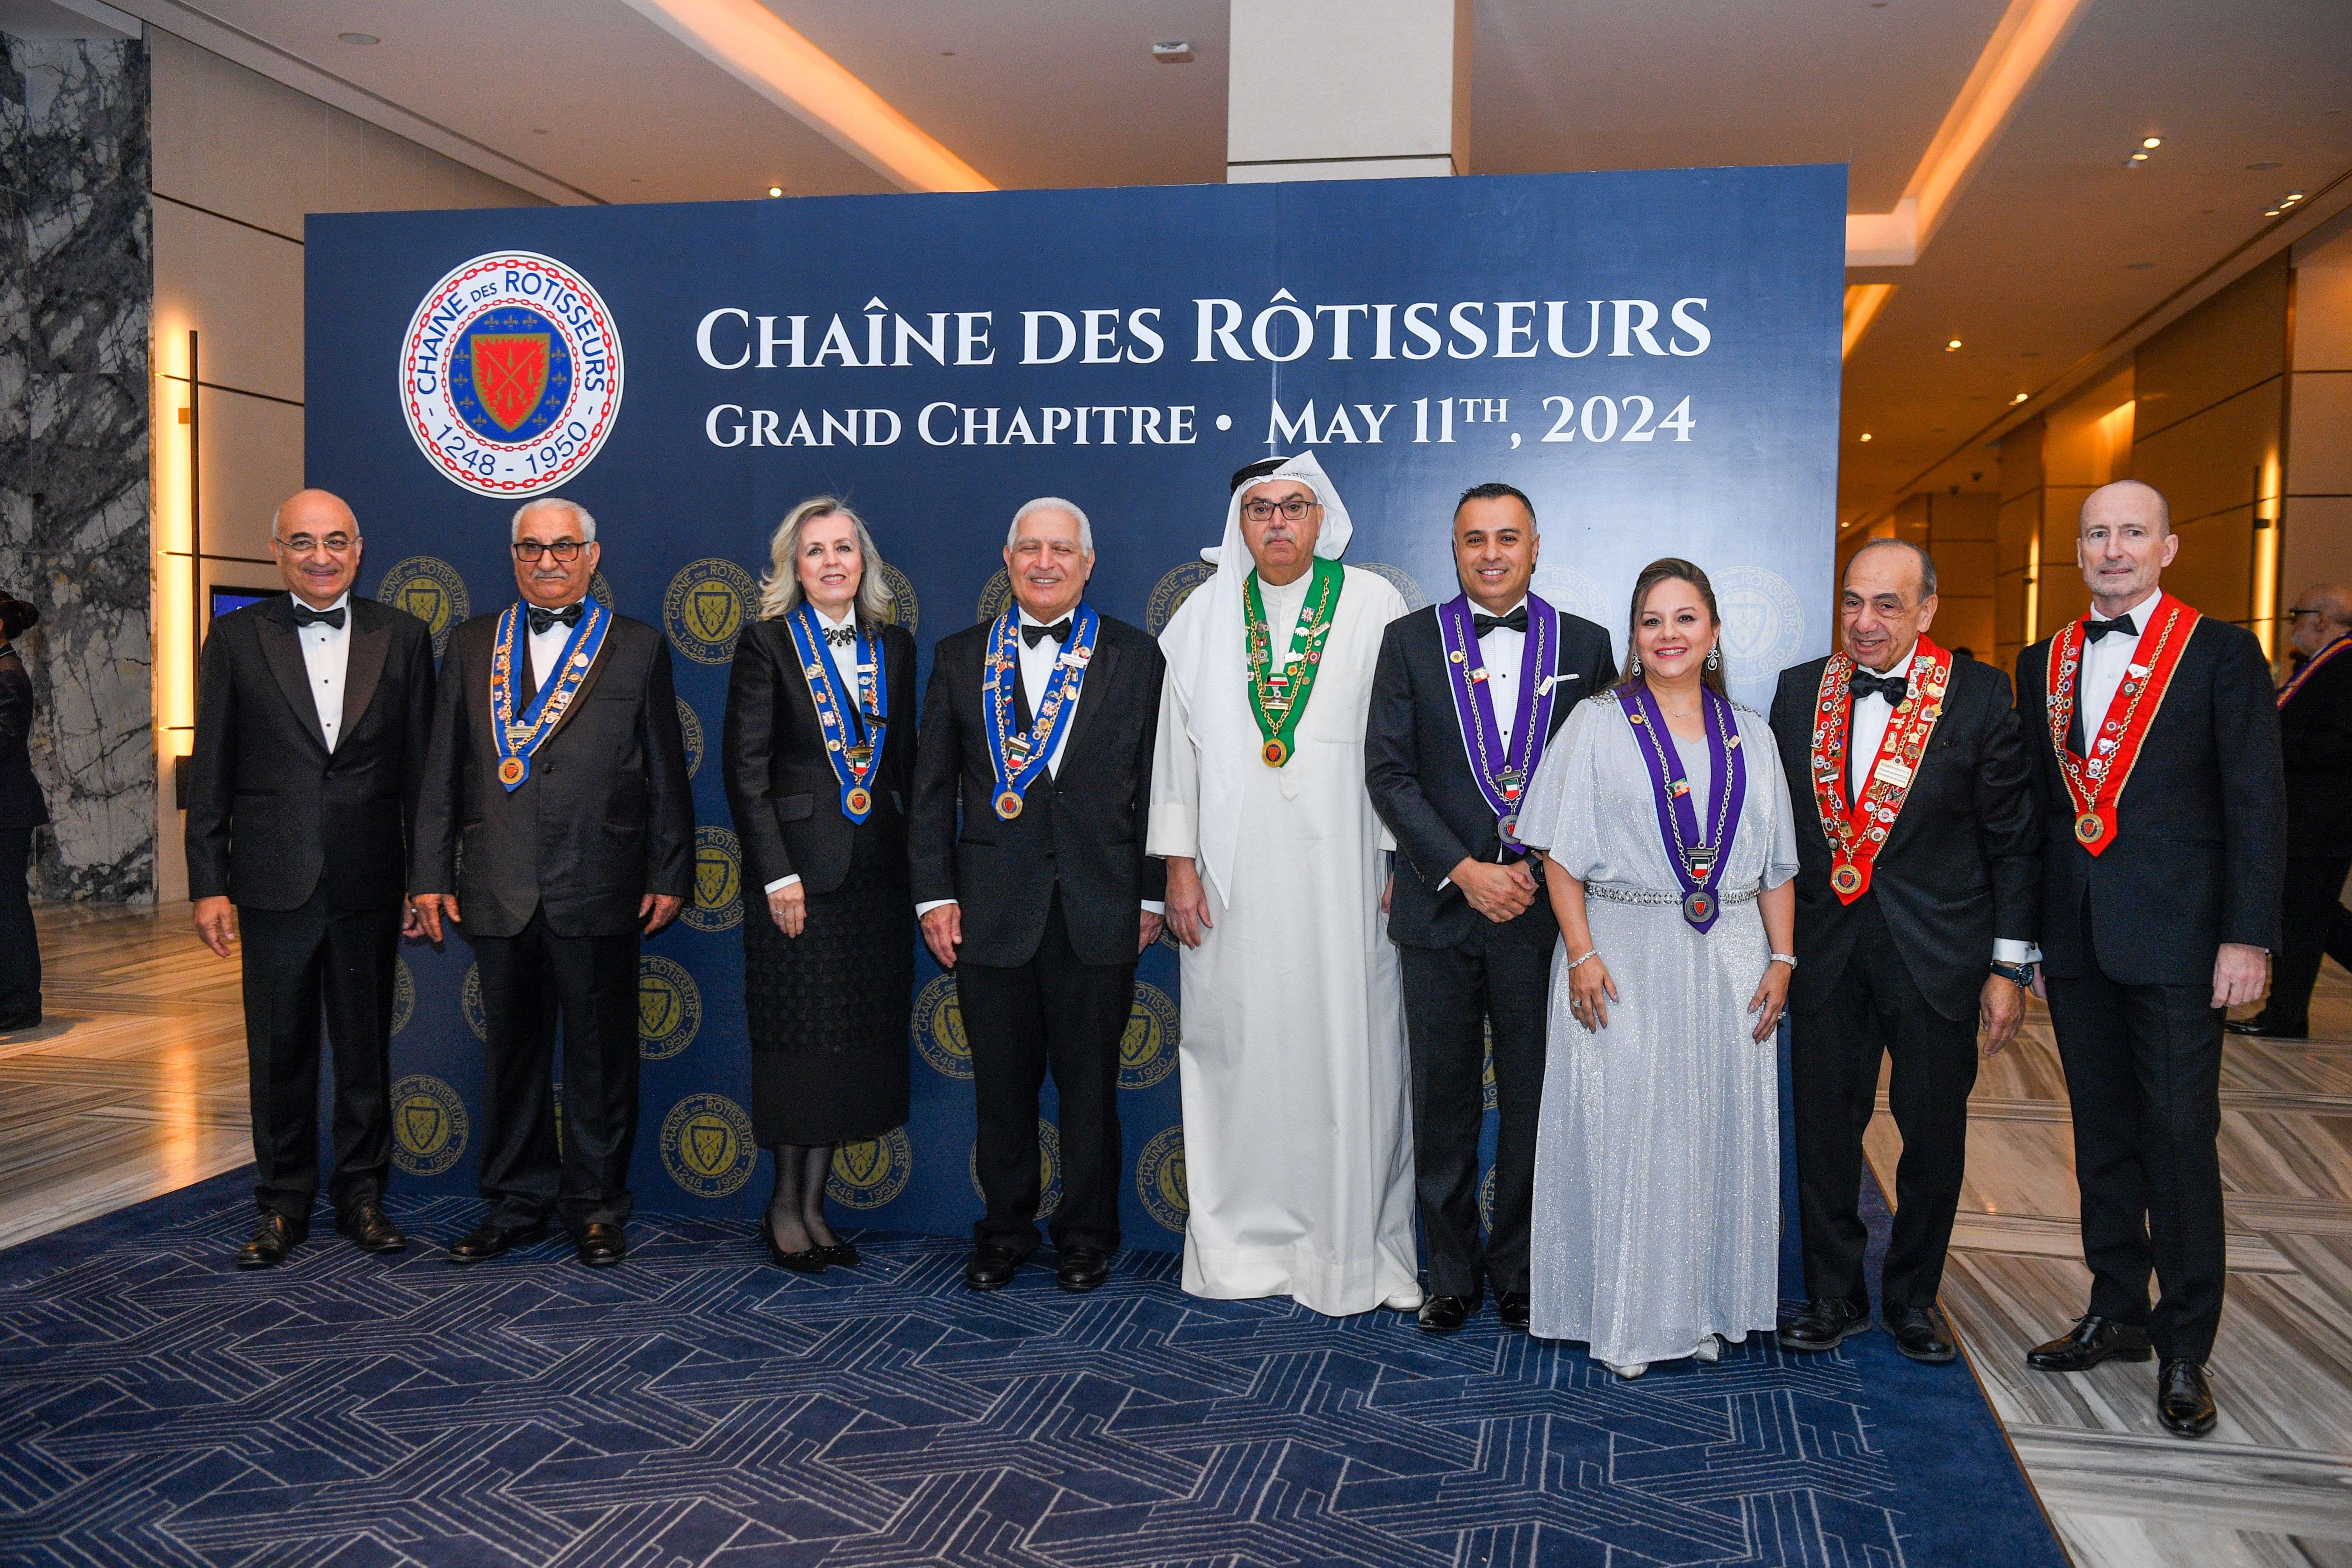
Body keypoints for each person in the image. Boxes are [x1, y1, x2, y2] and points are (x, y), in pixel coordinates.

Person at [2013, 479, 2285, 1438]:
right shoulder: (2041, 660)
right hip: (2076, 936)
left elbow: (2257, 801)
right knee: (2100, 1134)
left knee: (2176, 1135)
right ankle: (2117, 1308)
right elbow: (2041, 810)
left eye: (2133, 532)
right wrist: (2029, 935)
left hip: (2181, 939)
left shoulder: (2220, 652)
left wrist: (2246, 936)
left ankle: (2184, 1344)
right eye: (2097, 533)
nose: (2113, 549)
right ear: (2078, 550)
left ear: (2167, 547)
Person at [1513, 558, 1798, 1378]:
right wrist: (1581, 952)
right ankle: (1627, 1317)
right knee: (1630, 1135)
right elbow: (1559, 856)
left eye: (1684, 618)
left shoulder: (1752, 733)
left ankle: (1701, 1308)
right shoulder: (1596, 724)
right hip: (1622, 954)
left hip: (1733, 958)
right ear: (1634, 636)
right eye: (1651, 621)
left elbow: (1777, 866)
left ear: (1713, 631)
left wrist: (1782, 958)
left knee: (1710, 1135)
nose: (1668, 635)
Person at [1151, 452, 1419, 1317]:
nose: (1276, 522)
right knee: (1242, 1054)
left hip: (1347, 868)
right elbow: (1174, 753)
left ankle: (1352, 1251)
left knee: (1352, 1052)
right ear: (1240, 523)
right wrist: (1178, 866)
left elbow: (1401, 742)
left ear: (1319, 519)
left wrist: (1397, 857)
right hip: (1231, 878)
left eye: (1293, 506)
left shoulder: (1373, 603)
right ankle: (1241, 1247)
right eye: (1259, 508)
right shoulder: (1201, 614)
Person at [1769, 538, 2039, 1363]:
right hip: (1825, 949)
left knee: (1932, 1134)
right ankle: (1833, 1292)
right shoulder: (1798, 691)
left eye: (1886, 604)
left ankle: (1913, 1296)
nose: (1864, 621)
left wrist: (2007, 965)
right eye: (1852, 602)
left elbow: (2012, 840)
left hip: (1937, 953)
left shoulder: (1979, 695)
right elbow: (1777, 833)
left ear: (1926, 610)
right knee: (1823, 1131)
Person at [410, 496, 694, 1269]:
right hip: (495, 883)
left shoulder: (638, 645)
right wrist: (428, 872)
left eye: (564, 547)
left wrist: (670, 869)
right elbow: (441, 768)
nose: (547, 561)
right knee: (512, 1058)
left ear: (591, 556)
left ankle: (596, 1207)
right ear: (513, 557)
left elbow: (665, 767)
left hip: (600, 880)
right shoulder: (471, 643)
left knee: (600, 1059)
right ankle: (517, 1202)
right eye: (531, 548)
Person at [1365, 482, 1616, 1335]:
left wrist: (1531, 869)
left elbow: (1599, 780)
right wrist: (1464, 869)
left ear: (1534, 546)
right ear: (1454, 548)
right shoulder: (1408, 641)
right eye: (1474, 538)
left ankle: (1520, 1269)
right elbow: (1388, 772)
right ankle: (1448, 1273)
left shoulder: (1585, 643)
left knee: (1534, 1102)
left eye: (1507, 537)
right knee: (1440, 1103)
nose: (1491, 553)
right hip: (1439, 907)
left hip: (1541, 915)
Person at [911, 497, 1165, 1292]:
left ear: (1088, 563)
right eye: (1030, 548)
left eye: (1061, 549)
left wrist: (1151, 895)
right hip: (990, 907)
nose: (1044, 562)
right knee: (1001, 1088)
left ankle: (1086, 1234)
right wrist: (932, 896)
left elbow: (1161, 784)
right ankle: (1004, 1230)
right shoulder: (959, 657)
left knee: (1090, 1089)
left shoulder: (1136, 654)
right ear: (1008, 559)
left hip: (1100, 903)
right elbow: (930, 790)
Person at [183, 490, 437, 1267]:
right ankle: (282, 1204)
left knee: (364, 1052)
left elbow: (423, 773)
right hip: (272, 880)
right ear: (277, 551)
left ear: (358, 550)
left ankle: (362, 1197)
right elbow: (211, 768)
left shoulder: (404, 635)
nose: (319, 556)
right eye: (302, 541)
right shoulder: (234, 638)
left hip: (369, 878)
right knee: (278, 1051)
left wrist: (424, 876)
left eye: (334, 541)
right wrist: (208, 881)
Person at [722, 498, 918, 1271]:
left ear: (863, 561)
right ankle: (784, 1206)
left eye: (844, 548)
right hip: (796, 880)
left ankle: (816, 1206)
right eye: (815, 550)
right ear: (793, 567)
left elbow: (903, 763)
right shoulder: (765, 643)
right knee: (798, 1042)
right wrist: (777, 872)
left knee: (846, 1047)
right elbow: (745, 770)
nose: (832, 562)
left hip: (873, 879)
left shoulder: (894, 645)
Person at [2228, 582, 2352, 1039]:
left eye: (2296, 614)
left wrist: (2272, 740)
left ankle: (2284, 1016)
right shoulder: (2323, 665)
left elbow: (2339, 744)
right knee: (2310, 916)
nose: (2292, 625)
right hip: (2308, 821)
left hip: (2322, 821)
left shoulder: (2344, 666)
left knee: (2304, 918)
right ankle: (2286, 1015)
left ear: (2320, 619)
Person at [0, 592, 49, 1034]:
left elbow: (4, 741)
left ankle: (21, 1002)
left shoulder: (9, 675)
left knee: (9, 904)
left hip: (8, 809)